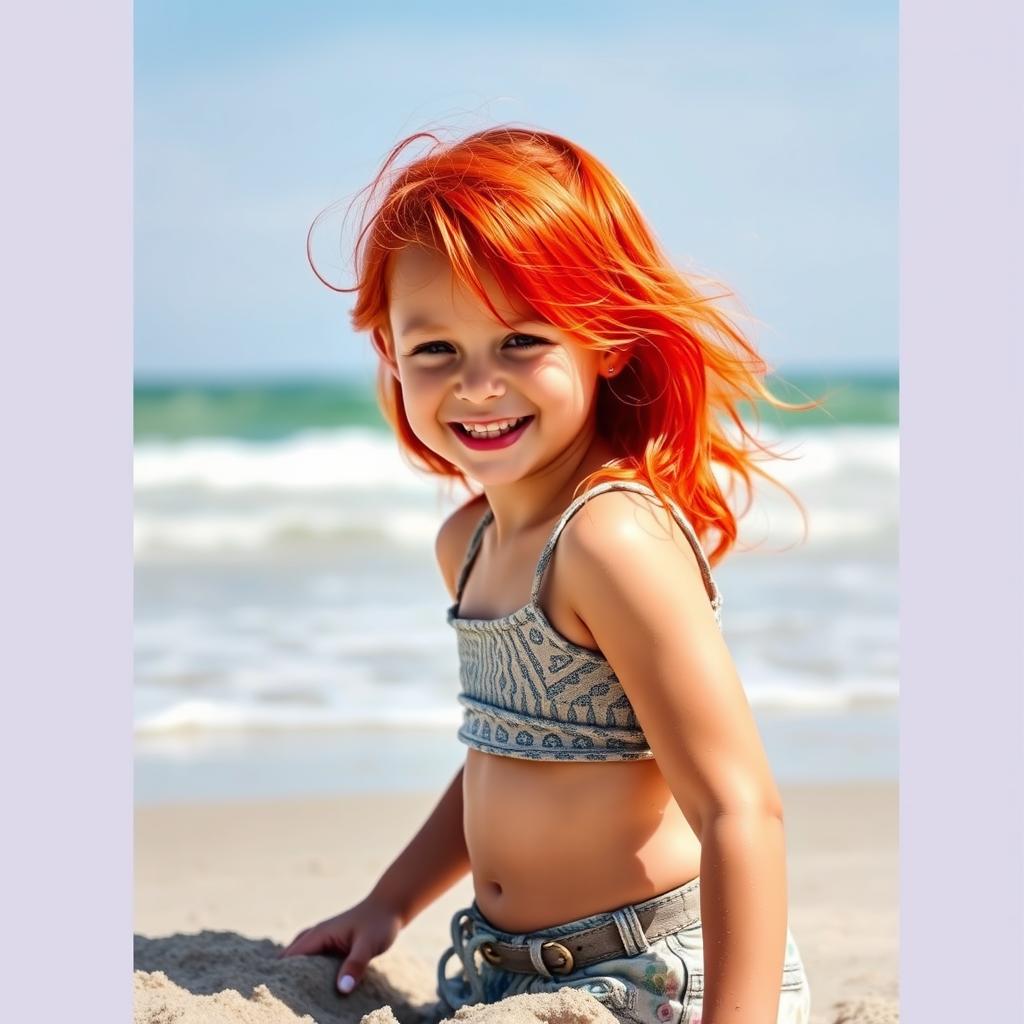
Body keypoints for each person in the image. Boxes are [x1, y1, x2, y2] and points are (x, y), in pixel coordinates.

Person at [279, 126, 813, 1024]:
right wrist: (389, 903)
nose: (478, 385)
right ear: (392, 356)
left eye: (521, 340)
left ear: (606, 340)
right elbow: (506, 755)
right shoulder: (469, 542)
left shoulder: (608, 540)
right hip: (502, 973)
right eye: (436, 351)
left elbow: (739, 810)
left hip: (652, 977)